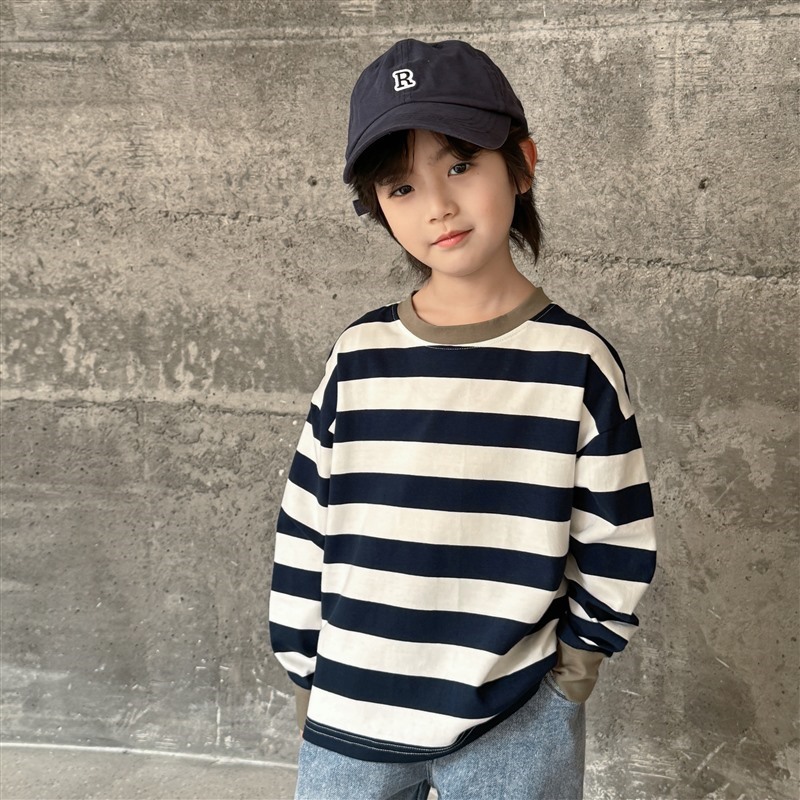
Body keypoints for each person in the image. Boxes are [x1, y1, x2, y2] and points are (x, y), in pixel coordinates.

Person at [269, 38, 656, 800]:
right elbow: (306, 522)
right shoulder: (359, 358)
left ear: (522, 163)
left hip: (515, 719)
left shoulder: (576, 364)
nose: (437, 207)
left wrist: (571, 678)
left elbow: (616, 539)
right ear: (377, 206)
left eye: (460, 165)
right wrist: (305, 673)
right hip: (351, 712)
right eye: (401, 186)